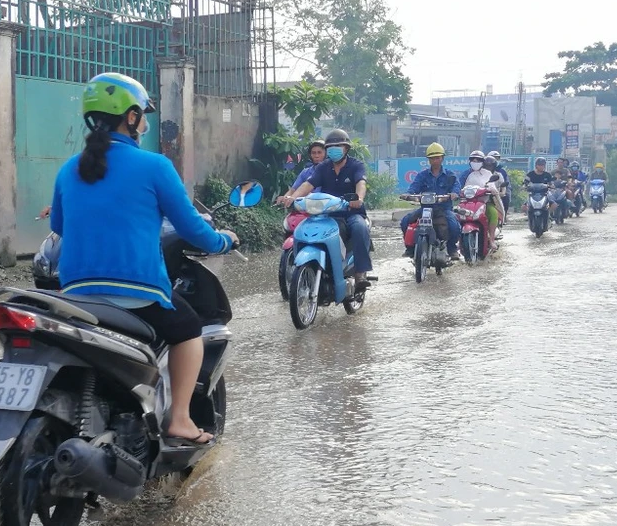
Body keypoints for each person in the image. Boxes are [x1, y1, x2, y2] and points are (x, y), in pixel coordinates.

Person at [50, 72, 238, 447]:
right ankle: (181, 420)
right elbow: (191, 227)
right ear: (131, 117)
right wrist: (222, 242)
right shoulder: (154, 166)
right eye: (143, 115)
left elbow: (59, 224)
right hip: (136, 293)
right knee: (188, 330)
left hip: (74, 293)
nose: (147, 122)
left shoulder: (69, 169)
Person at [279, 128, 374, 290]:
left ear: (346, 149)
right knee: (307, 229)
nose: (334, 150)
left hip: (351, 213)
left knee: (359, 227)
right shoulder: (323, 167)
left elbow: (361, 183)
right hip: (327, 214)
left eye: (338, 146)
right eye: (330, 147)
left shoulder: (356, 165)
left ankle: (360, 273)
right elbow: (308, 184)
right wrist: (293, 197)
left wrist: (358, 198)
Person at [399, 142, 461, 261]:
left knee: (454, 225)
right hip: (425, 209)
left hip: (444, 209)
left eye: (437, 158)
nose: (435, 161)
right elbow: (414, 187)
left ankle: (452, 249)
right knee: (405, 221)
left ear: (442, 158)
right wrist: (408, 194)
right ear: (428, 160)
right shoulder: (422, 175)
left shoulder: (450, 175)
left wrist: (454, 194)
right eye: (432, 158)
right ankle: (410, 248)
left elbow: (456, 187)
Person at [459, 150, 504, 249]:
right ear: (469, 162)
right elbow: (458, 186)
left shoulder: (487, 173)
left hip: (485, 202)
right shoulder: (465, 174)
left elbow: (491, 184)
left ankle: (491, 239)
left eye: (478, 160)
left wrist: (490, 189)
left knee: (493, 213)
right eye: (473, 160)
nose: (475, 162)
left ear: (482, 161)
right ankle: (459, 241)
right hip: (467, 202)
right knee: (457, 216)